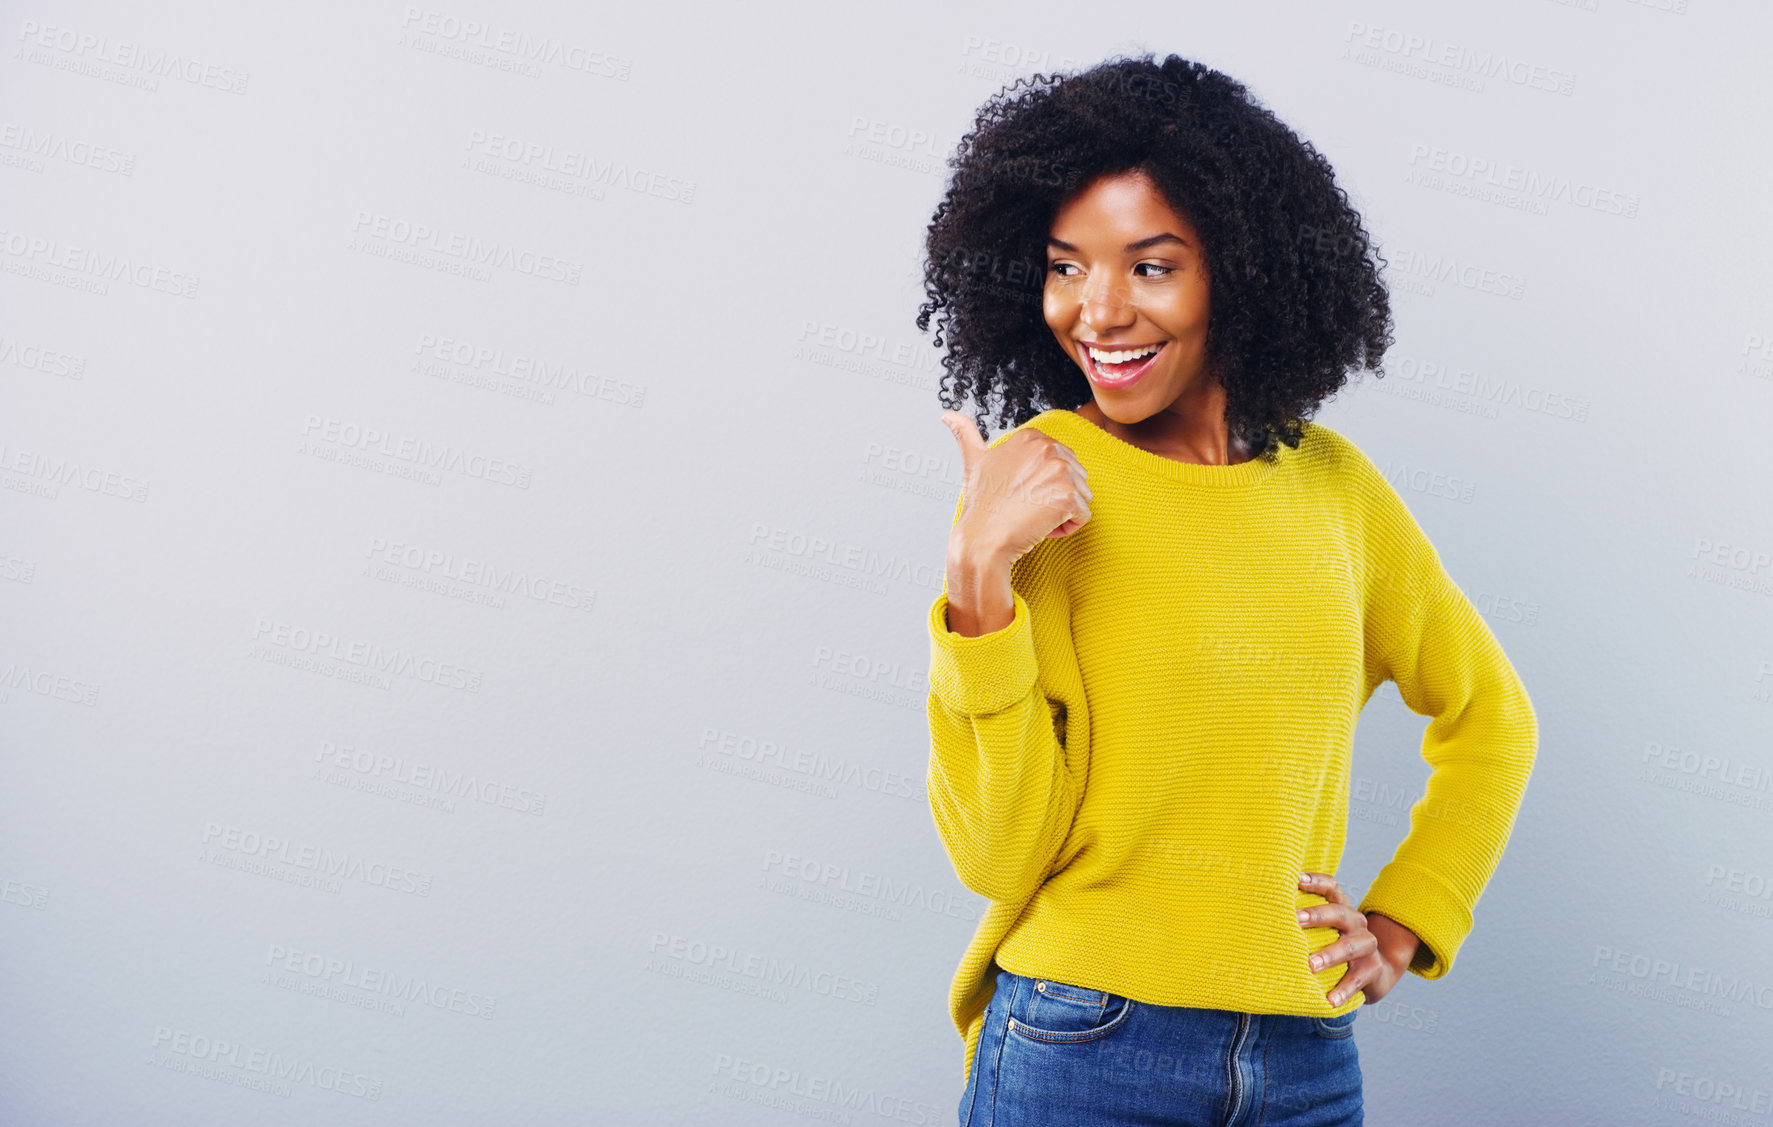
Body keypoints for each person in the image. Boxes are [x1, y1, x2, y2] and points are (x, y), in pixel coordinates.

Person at [915, 53, 1538, 1126]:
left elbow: (1493, 718)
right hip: (1083, 1038)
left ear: (1239, 274)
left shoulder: (1337, 491)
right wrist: (978, 583)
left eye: (1151, 267)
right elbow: (998, 854)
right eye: (1067, 266)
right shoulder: (1039, 484)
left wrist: (1403, 922)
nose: (1097, 311)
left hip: (1303, 1054)